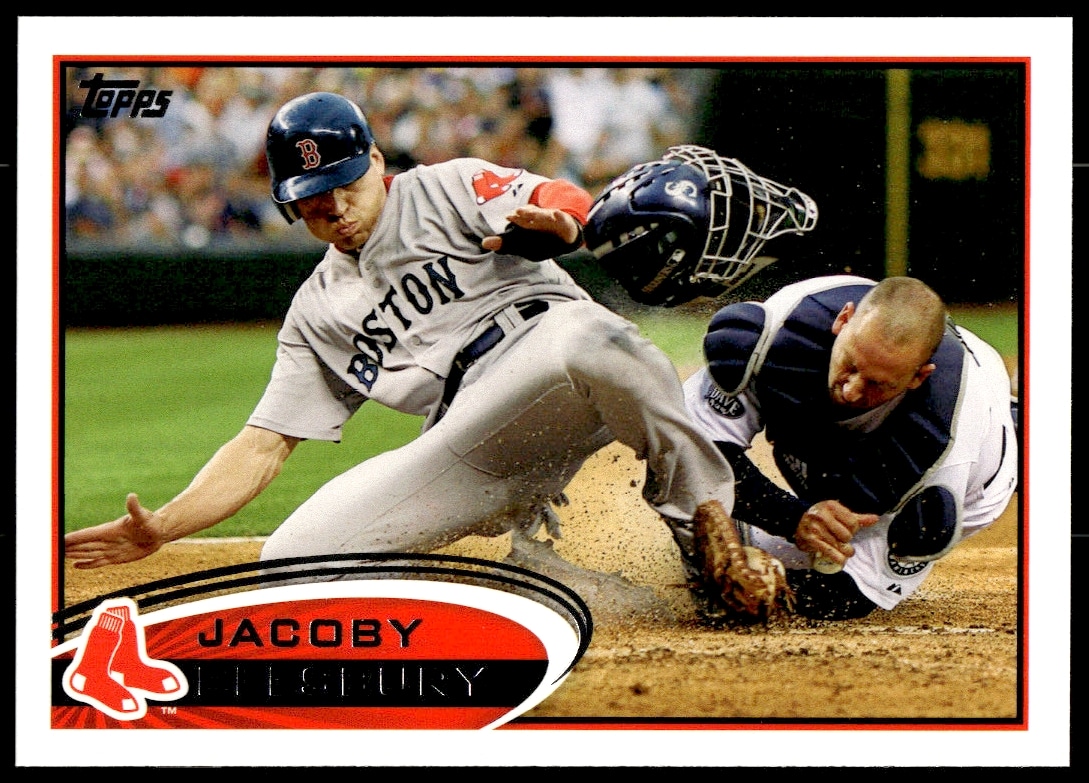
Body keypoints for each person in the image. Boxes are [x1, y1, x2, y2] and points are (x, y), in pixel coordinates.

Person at [64, 94, 815, 616]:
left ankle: (709, 540)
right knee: (290, 562)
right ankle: (542, 587)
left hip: (550, 350)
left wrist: (563, 225)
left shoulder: (443, 188)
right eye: (312, 196)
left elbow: (562, 200)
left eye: (344, 182)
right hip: (475, 441)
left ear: (374, 159)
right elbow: (261, 446)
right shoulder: (314, 313)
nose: (334, 207)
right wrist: (165, 524)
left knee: (596, 338)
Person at [681, 274, 1019, 620]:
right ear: (843, 320)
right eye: (850, 366)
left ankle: (1019, 426)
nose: (852, 391)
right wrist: (789, 516)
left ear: (919, 377)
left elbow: (853, 594)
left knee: (786, 589)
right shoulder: (782, 331)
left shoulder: (940, 445)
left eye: (877, 384)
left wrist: (770, 584)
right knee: (690, 486)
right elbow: (693, 452)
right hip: (839, 440)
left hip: (939, 466)